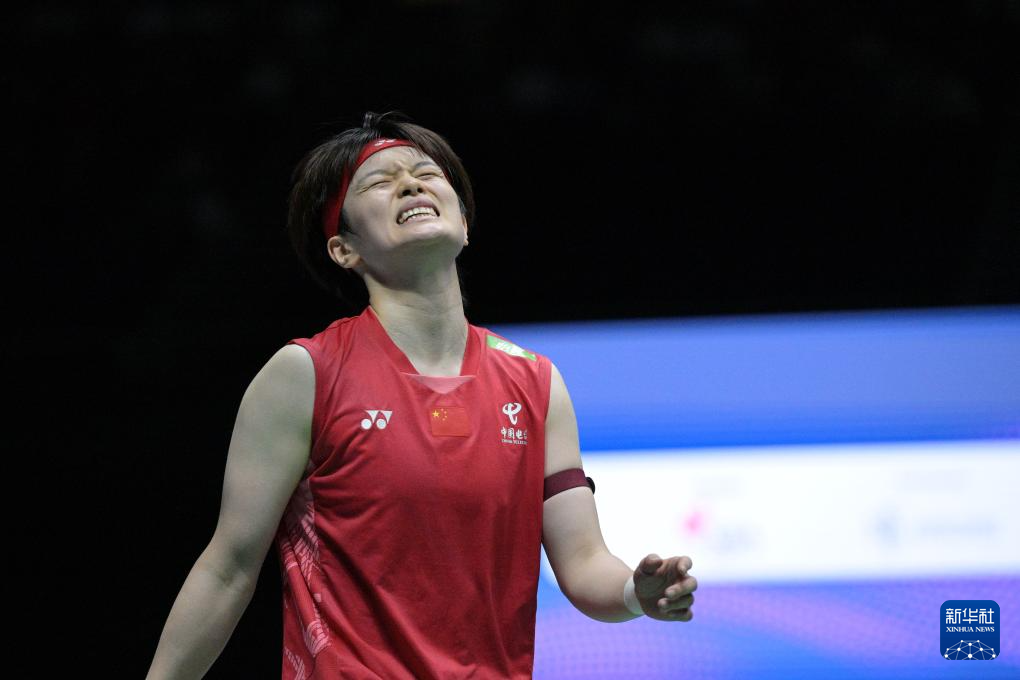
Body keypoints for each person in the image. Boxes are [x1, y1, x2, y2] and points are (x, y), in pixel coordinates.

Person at [146, 111, 697, 680]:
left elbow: (583, 564)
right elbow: (228, 569)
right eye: (379, 182)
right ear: (344, 249)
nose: (411, 184)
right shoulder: (306, 374)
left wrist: (636, 593)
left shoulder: (536, 383)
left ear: (464, 224)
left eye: (427, 174)